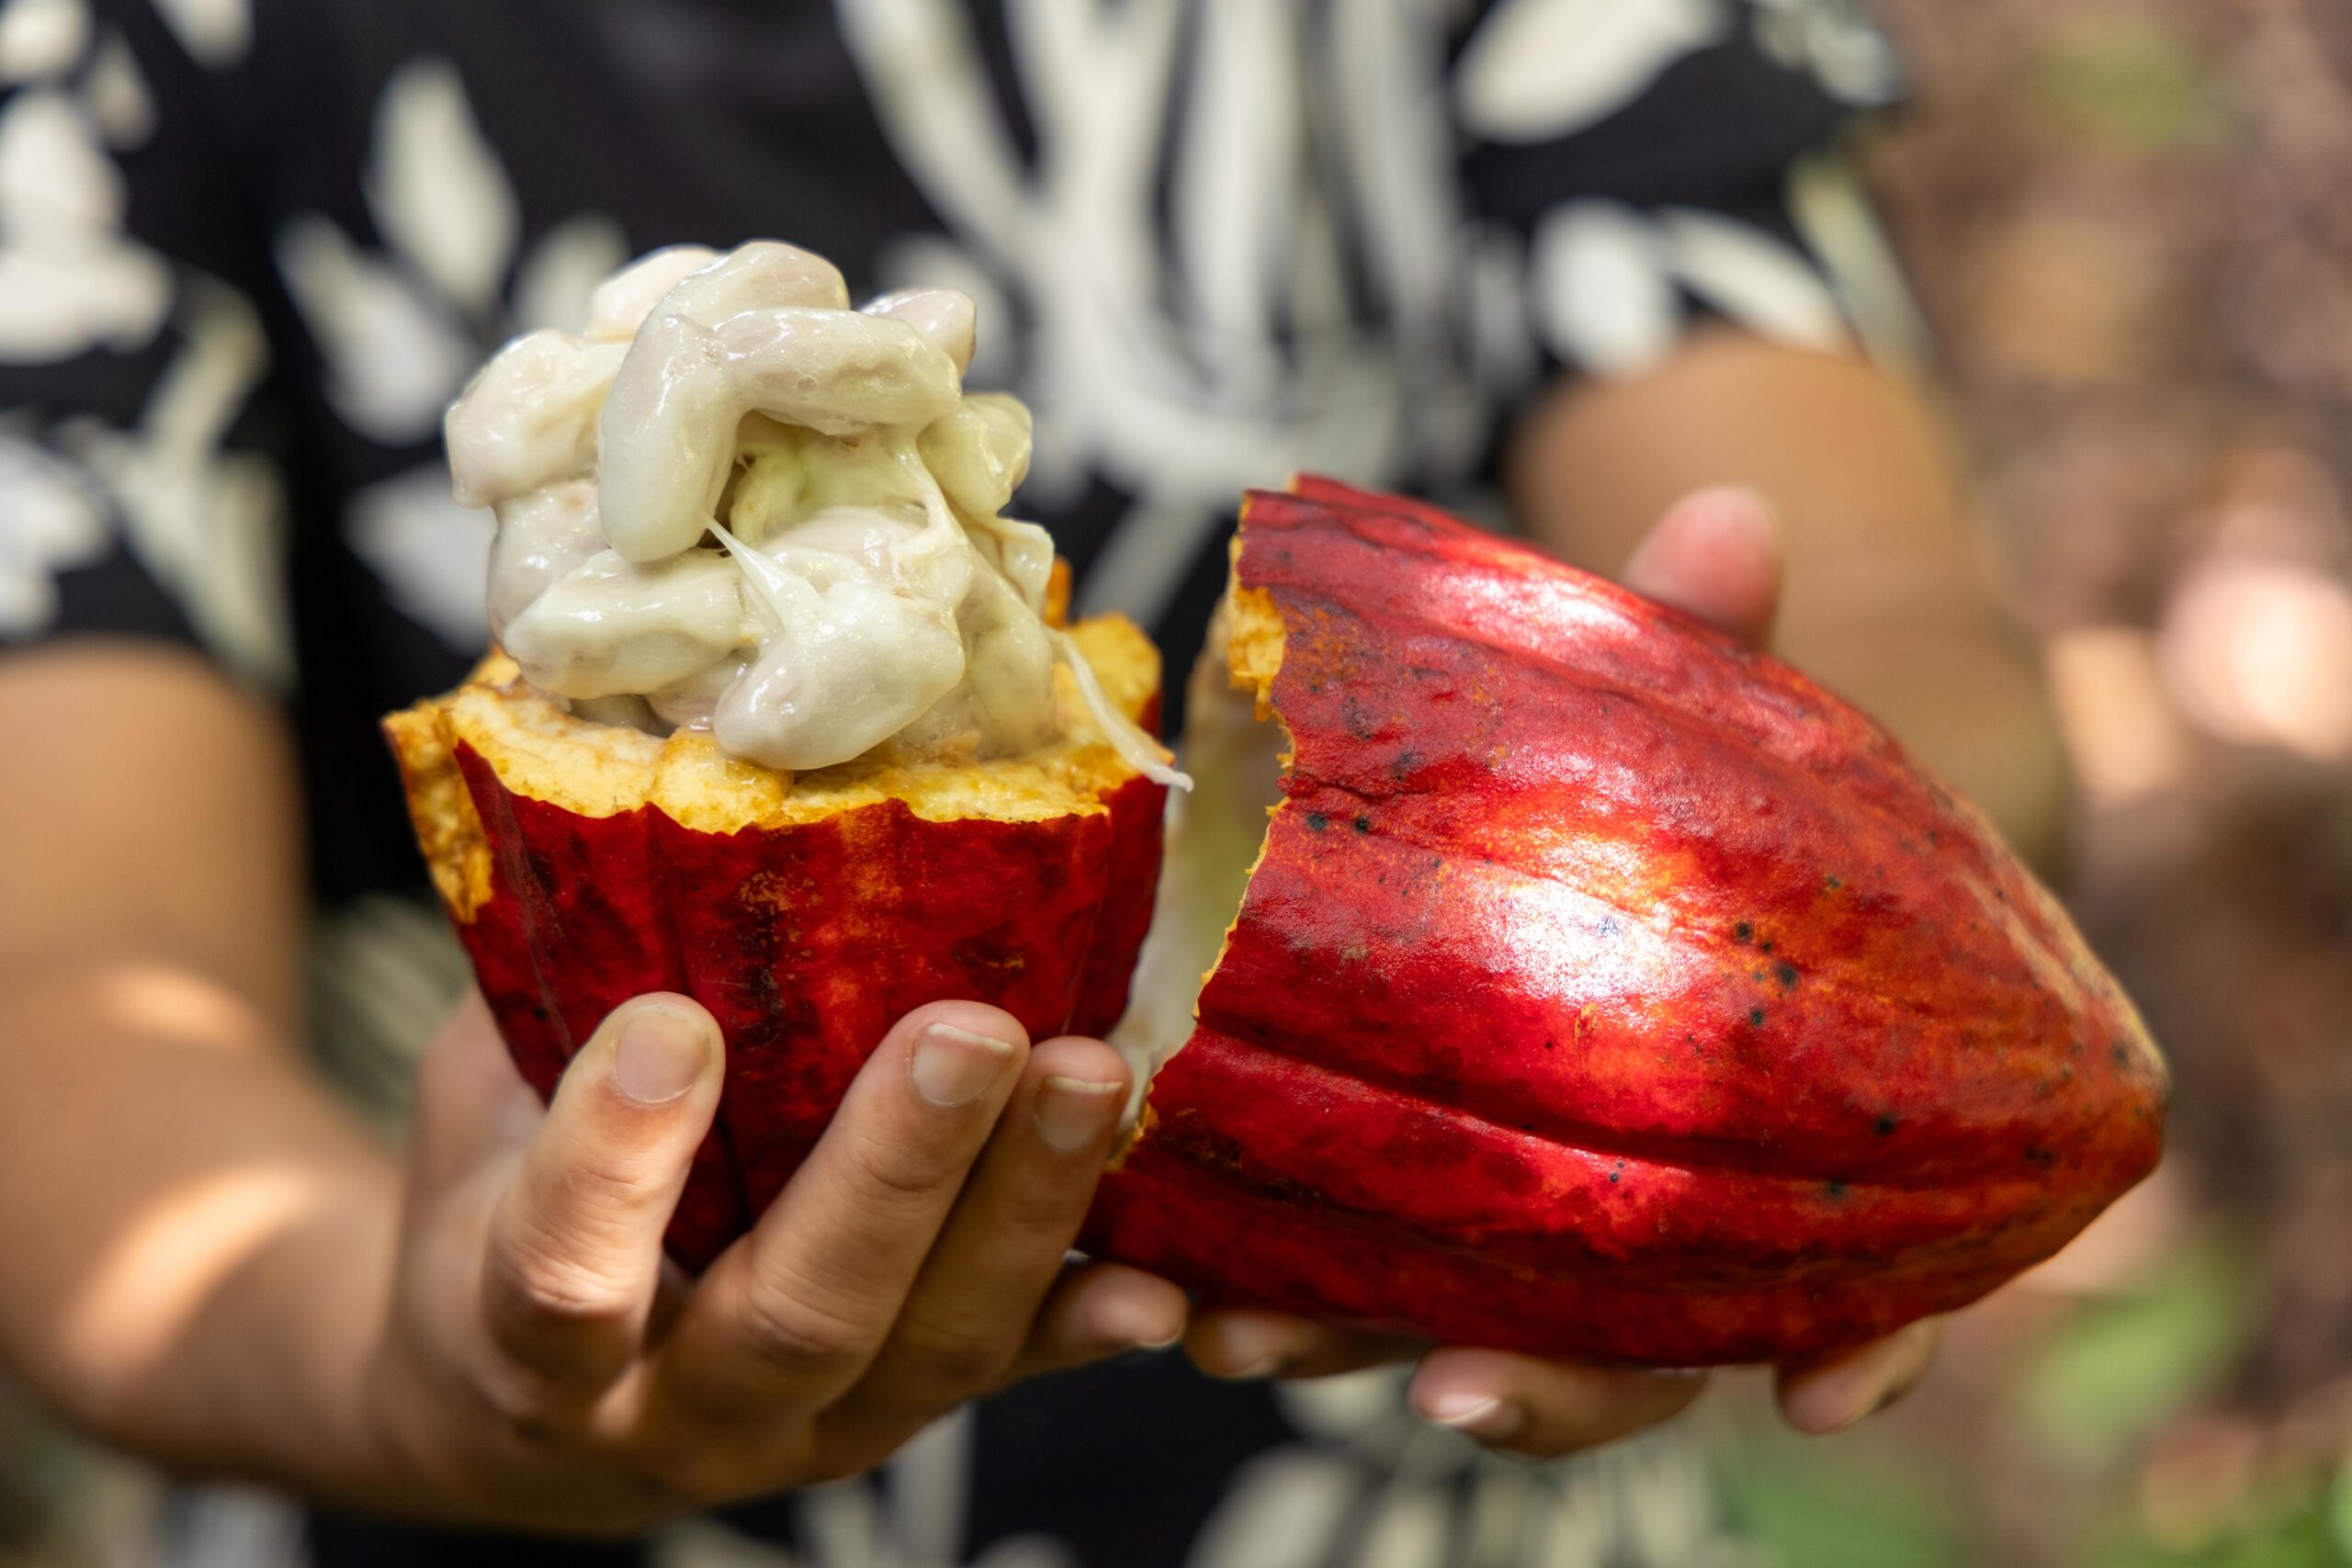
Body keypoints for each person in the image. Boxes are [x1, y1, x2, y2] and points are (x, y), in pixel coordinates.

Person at [0, 2, 2066, 1564]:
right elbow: (67, 990)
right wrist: (407, 1363)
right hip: (425, 1424)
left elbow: (1894, 604)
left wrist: (1795, 935)